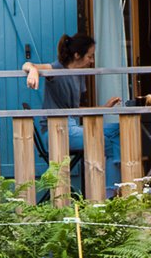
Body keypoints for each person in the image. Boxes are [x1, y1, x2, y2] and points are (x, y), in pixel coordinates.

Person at [24, 34, 97, 194]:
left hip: (71, 128)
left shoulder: (79, 75)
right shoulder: (56, 69)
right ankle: (107, 195)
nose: (92, 61)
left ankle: (111, 192)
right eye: (89, 56)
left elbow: (74, 109)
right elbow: (27, 65)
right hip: (55, 131)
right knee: (103, 138)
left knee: (116, 131)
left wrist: (103, 108)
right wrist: (34, 71)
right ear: (77, 55)